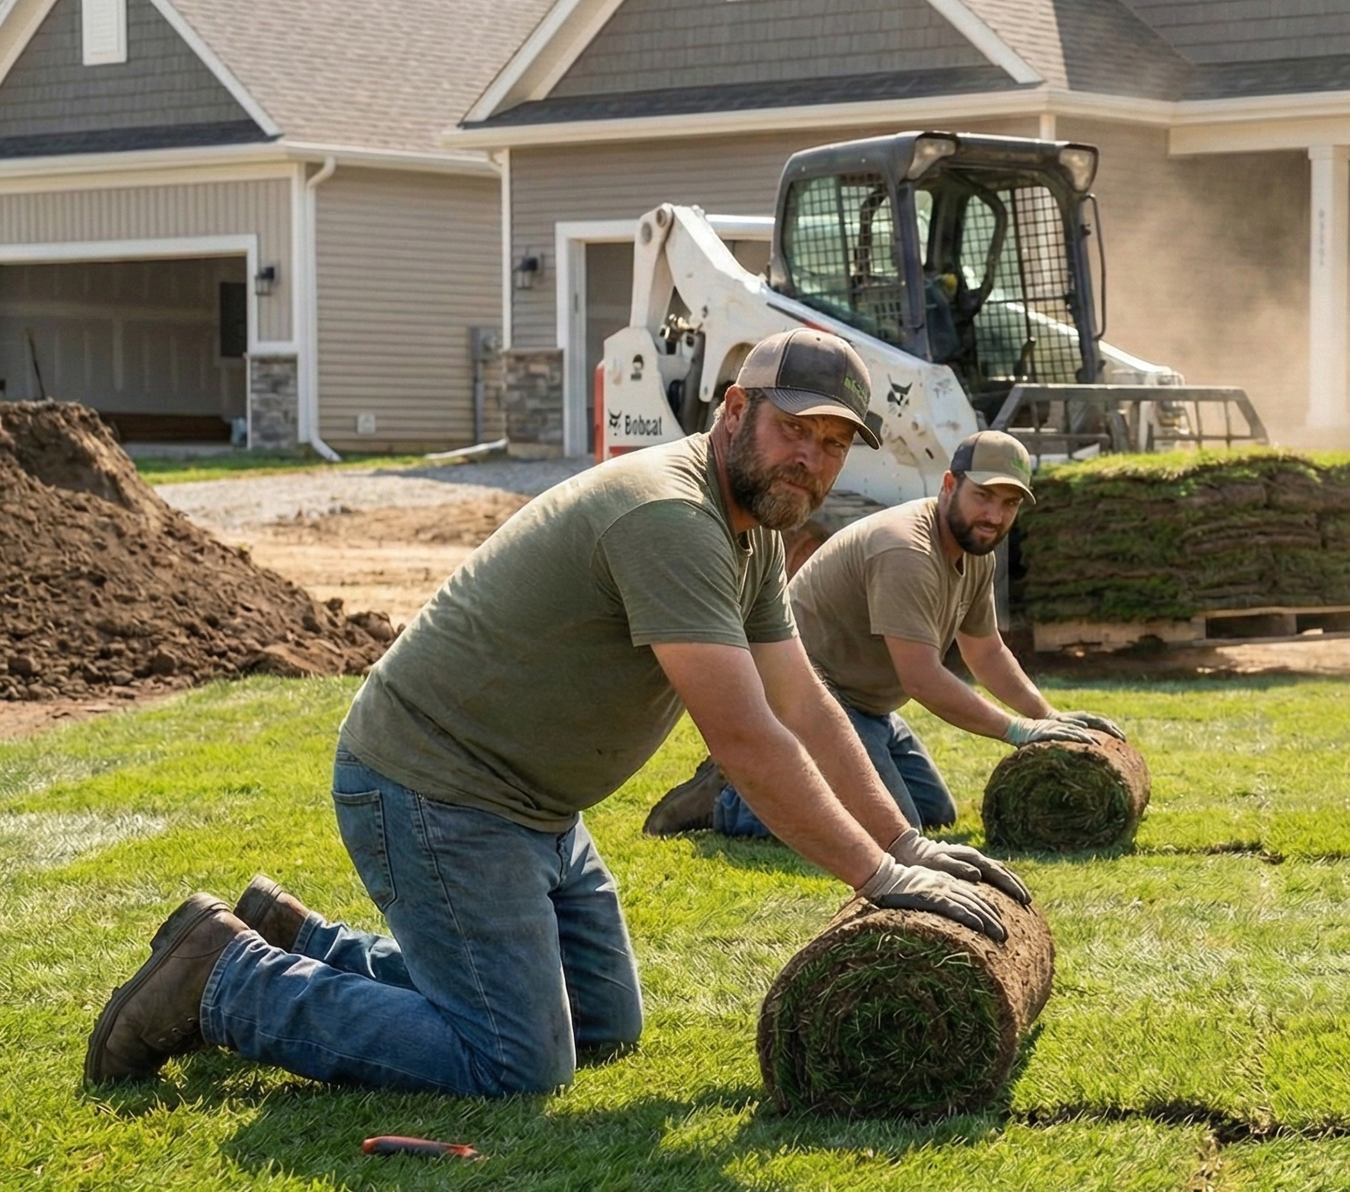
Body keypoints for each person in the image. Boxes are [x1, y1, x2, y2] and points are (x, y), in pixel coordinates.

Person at [87, 328, 1028, 1096]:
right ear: (734, 410)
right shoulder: (670, 515)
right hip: (437, 791)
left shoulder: (748, 533)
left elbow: (805, 702)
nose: (813, 460)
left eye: (833, 445)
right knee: (514, 1062)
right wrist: (873, 874)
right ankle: (224, 978)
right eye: (797, 430)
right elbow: (746, 739)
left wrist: (907, 845)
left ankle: (297, 938)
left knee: (603, 1028)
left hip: (533, 811)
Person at [644, 430, 1121, 840]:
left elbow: (987, 650)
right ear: (949, 485)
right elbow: (922, 678)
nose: (995, 515)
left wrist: (1048, 718)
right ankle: (731, 799)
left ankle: (771, 787)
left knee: (935, 815)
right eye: (984, 496)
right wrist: (1015, 731)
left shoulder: (977, 552)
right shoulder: (906, 549)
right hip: (808, 700)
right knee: (890, 830)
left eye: (1009, 503)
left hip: (868, 708)